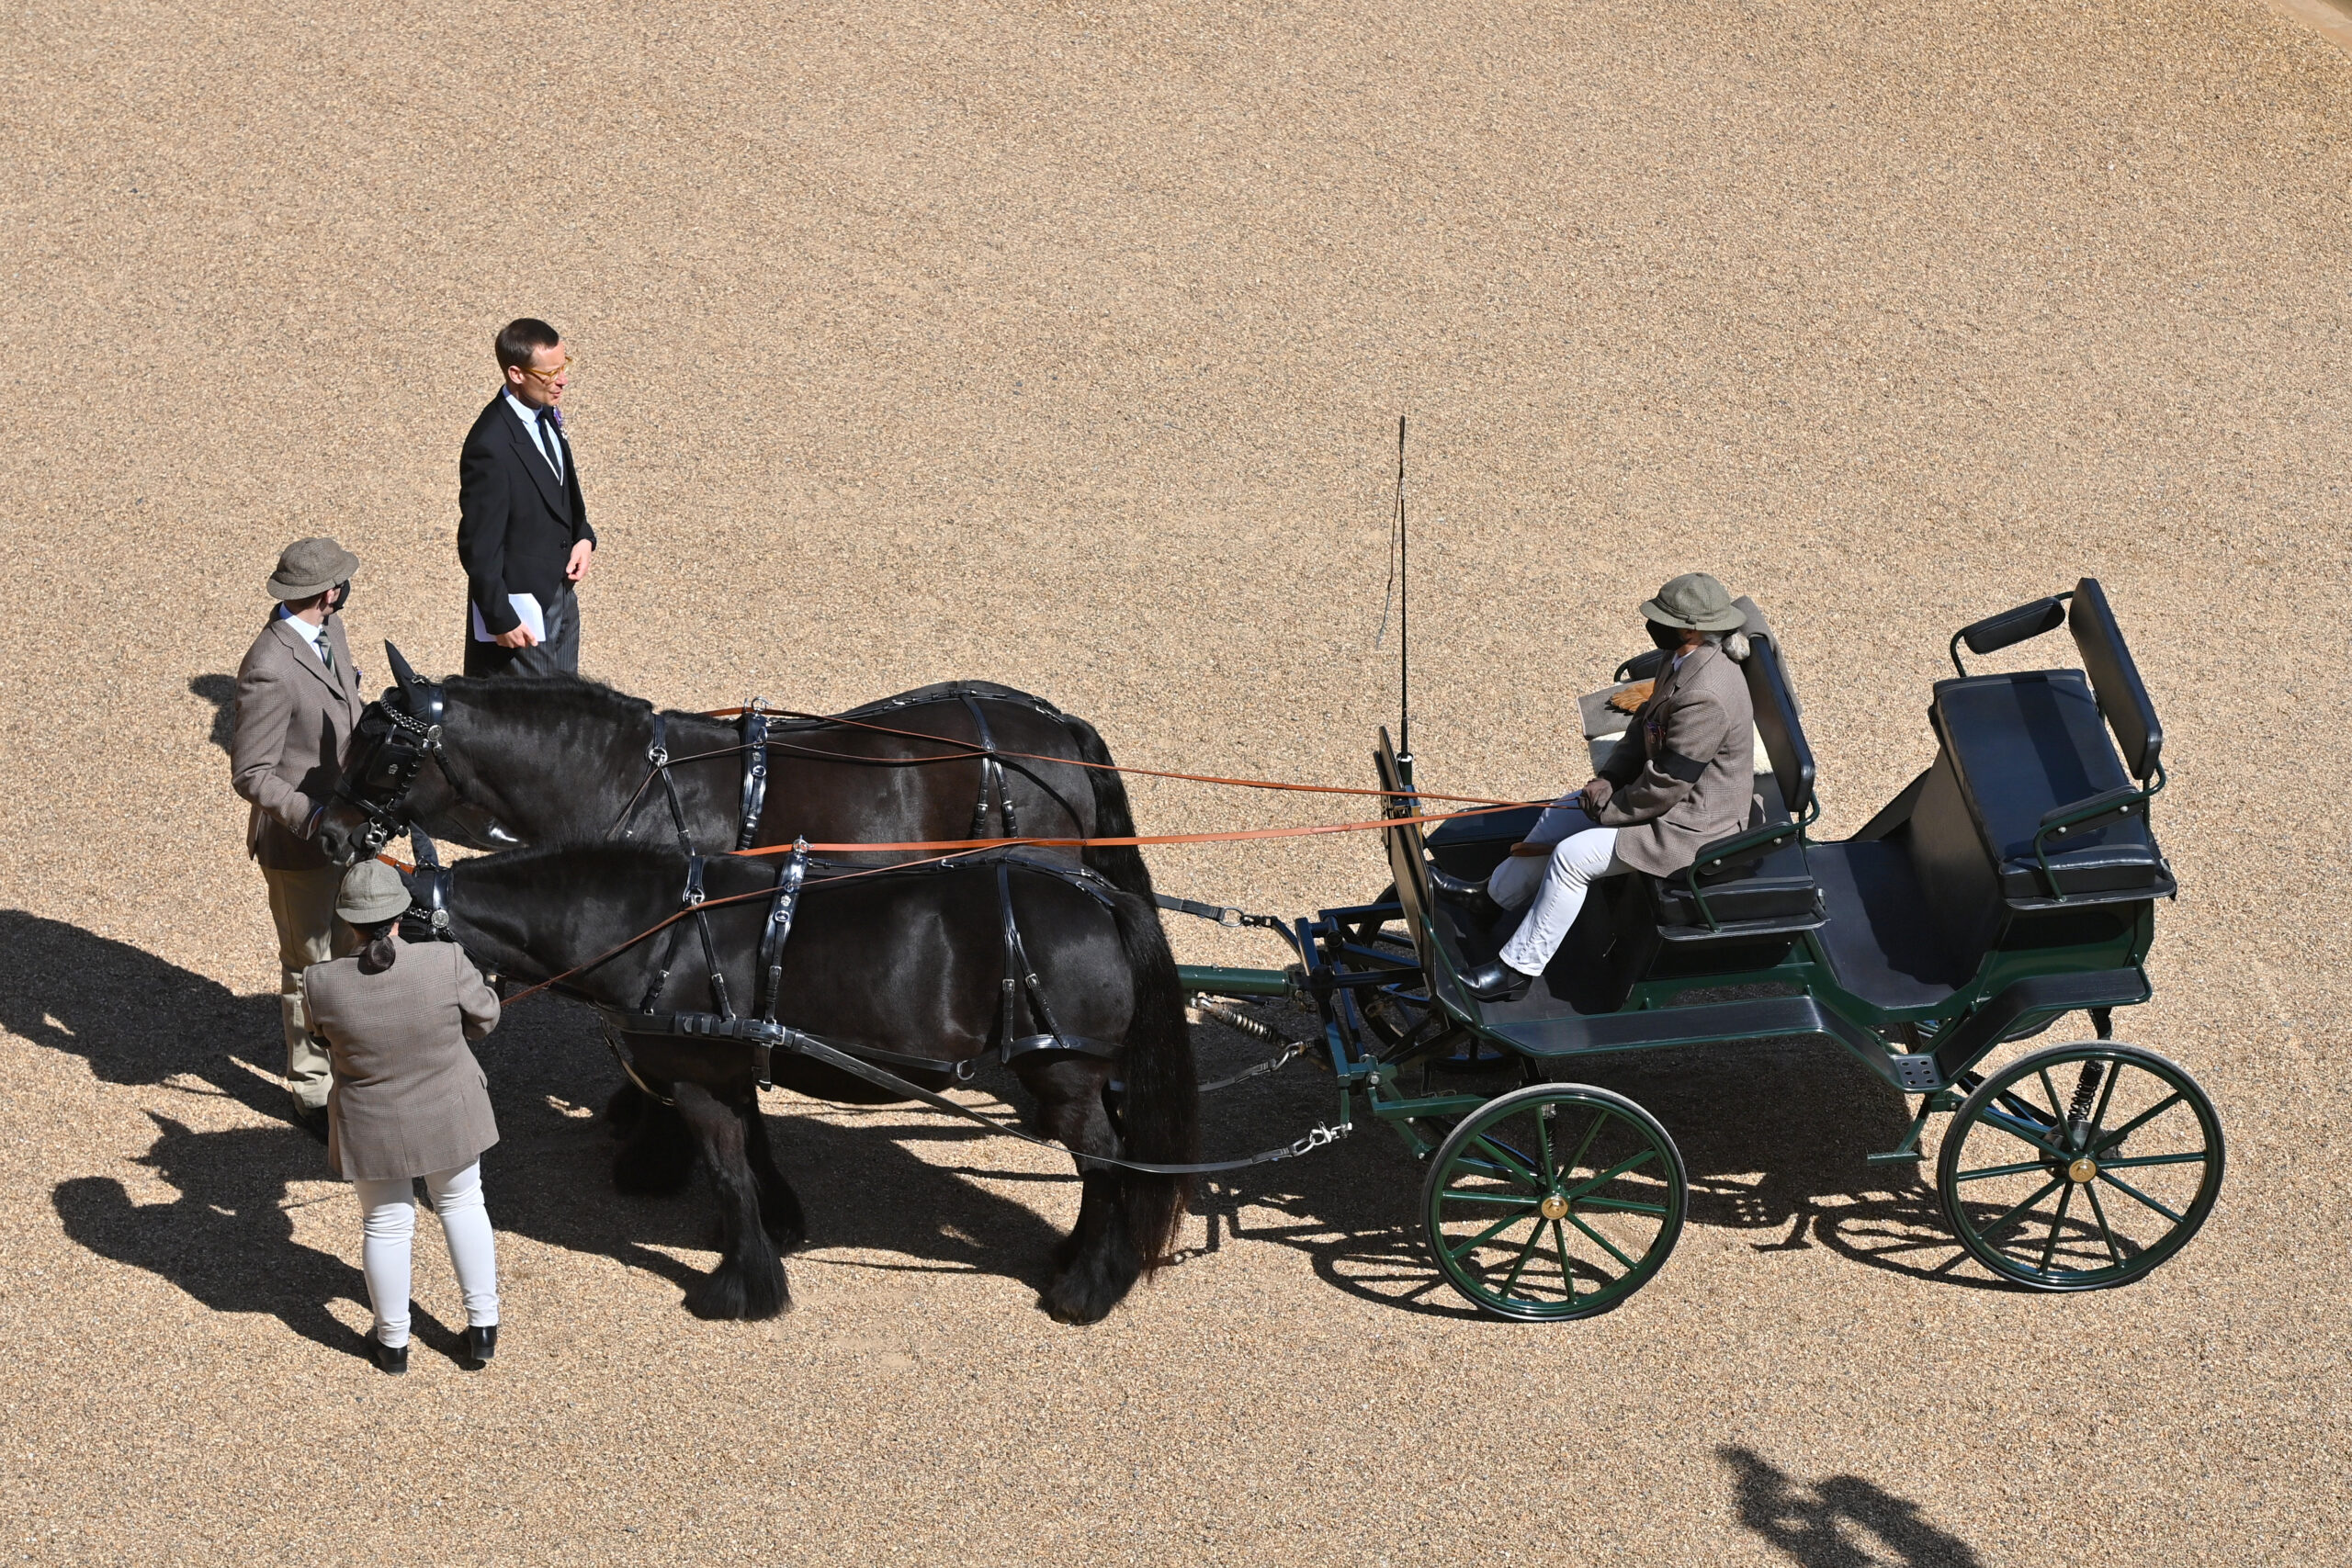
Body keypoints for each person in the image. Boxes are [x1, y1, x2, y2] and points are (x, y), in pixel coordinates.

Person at [1445, 573, 1758, 1002]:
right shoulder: (1682, 657)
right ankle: (1493, 900)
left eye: (1662, 617)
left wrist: (1609, 810)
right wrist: (1607, 779)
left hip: (1694, 825)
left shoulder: (1708, 695)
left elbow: (1668, 784)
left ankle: (1518, 970)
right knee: (1561, 812)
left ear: (1692, 627)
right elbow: (1644, 727)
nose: (1653, 623)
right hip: (1667, 798)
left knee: (1573, 858)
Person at [301, 860, 503, 1375]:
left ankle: (392, 1345)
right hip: (449, 1109)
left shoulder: (320, 982)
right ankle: (483, 1330)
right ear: (399, 917)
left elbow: (323, 1040)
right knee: (462, 1205)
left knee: (386, 1225)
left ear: (348, 921)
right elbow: (485, 1020)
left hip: (372, 1122)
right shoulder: (447, 961)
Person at [231, 537, 371, 1136]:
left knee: (351, 950)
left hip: (347, 828)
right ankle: (311, 1089)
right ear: (326, 592)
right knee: (308, 965)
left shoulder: (329, 630)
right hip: (300, 847)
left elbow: (347, 700)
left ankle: (348, 1059)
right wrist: (312, 816)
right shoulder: (268, 665)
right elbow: (251, 772)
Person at [458, 317, 596, 677]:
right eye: (551, 373)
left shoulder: (545, 413)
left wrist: (583, 535)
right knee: (535, 718)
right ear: (517, 374)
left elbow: (563, 491)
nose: (563, 380)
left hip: (561, 595)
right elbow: (478, 544)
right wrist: (500, 617)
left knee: (567, 708)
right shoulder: (490, 445)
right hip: (523, 615)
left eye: (564, 366)